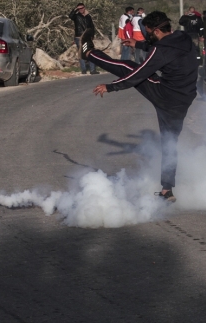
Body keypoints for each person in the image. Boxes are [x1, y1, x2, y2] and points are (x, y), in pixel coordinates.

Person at [79, 11, 199, 202]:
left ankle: (89, 53)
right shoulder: (183, 38)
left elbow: (139, 74)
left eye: (148, 32)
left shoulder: (159, 52)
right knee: (170, 142)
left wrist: (110, 87)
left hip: (165, 95)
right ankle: (167, 190)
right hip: (184, 99)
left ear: (157, 30)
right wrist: (139, 44)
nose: (146, 34)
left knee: (128, 66)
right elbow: (166, 47)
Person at [68, 3, 99, 75]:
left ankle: (92, 70)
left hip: (87, 37)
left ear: (84, 7)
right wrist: (75, 9)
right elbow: (70, 16)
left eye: (82, 8)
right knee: (81, 53)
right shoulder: (76, 16)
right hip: (79, 37)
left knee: (91, 52)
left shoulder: (88, 16)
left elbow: (92, 26)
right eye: (79, 8)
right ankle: (83, 69)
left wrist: (92, 35)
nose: (81, 9)